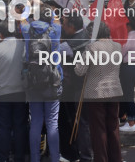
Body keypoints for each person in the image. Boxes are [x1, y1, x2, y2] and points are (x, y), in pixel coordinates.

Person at [74, 22, 123, 162]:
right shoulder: (118, 47)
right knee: (113, 128)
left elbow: (79, 70)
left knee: (98, 130)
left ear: (94, 33)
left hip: (95, 92)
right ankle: (116, 158)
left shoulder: (91, 48)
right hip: (115, 90)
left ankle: (101, 159)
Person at [21, 0, 62, 162]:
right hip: (53, 81)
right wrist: (46, 7)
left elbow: (22, 18)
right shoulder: (55, 30)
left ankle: (35, 158)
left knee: (36, 122)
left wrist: (28, 6)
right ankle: (55, 158)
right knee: (52, 123)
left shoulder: (27, 30)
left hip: (33, 80)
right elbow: (56, 18)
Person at [0, 21, 27, 162]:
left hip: (1, 92)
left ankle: (3, 157)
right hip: (20, 91)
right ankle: (19, 156)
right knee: (20, 125)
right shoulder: (24, 46)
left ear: (1, 33)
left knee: (3, 127)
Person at [59, 11, 92, 162]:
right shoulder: (88, 35)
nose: (62, 27)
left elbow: (55, 53)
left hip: (75, 86)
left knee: (79, 122)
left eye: (64, 24)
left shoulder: (68, 45)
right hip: (89, 84)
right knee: (85, 122)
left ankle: (83, 155)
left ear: (71, 26)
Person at [119, 15, 135, 132]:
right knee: (130, 95)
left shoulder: (130, 37)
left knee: (128, 96)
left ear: (128, 25)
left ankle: (131, 123)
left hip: (128, 67)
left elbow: (122, 51)